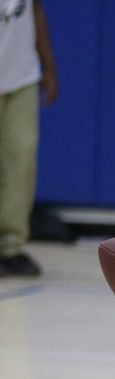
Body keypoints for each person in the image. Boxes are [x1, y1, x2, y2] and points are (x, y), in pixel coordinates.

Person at [0, 0, 56, 279]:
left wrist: (49, 66)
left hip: (22, 76)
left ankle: (11, 246)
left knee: (21, 160)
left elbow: (35, 10)